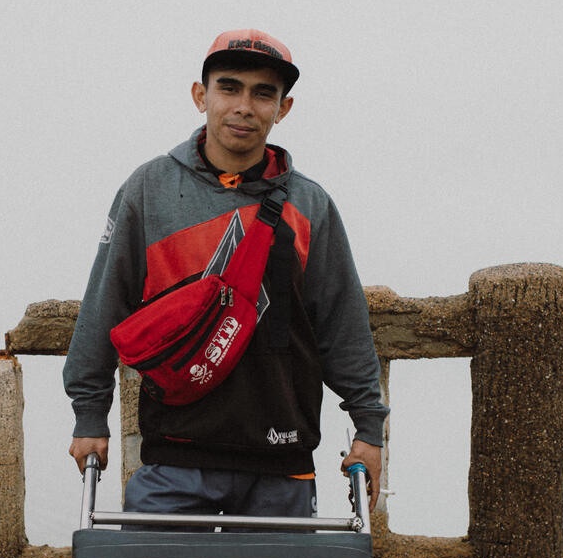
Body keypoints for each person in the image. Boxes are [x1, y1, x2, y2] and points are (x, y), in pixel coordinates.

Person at [64, 29, 388, 517]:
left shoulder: (311, 205)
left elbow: (342, 322)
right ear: (201, 95)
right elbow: (105, 302)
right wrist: (90, 414)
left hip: (282, 461)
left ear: (284, 108)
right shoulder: (148, 190)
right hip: (172, 456)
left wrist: (368, 427)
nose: (244, 106)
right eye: (229, 87)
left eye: (264, 94)